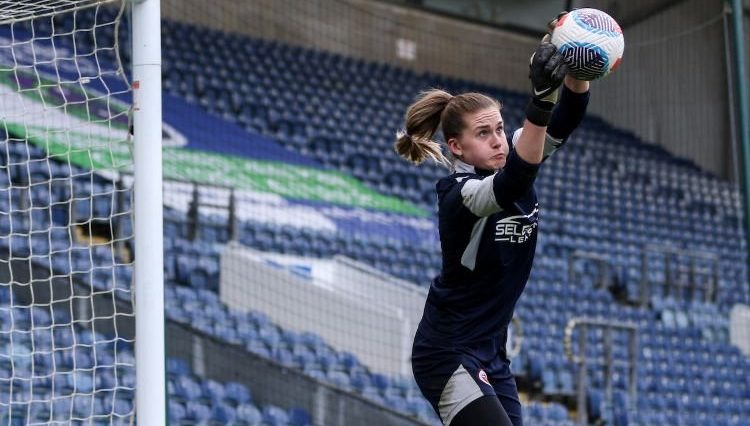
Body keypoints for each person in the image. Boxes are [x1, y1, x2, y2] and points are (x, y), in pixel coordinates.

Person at [394, 15, 590, 426]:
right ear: (457, 147)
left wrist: (578, 69)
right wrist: (540, 100)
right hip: (447, 353)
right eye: (484, 133)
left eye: (500, 128)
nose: (499, 139)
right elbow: (515, 181)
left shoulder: (516, 153)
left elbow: (565, 120)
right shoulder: (459, 195)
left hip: (491, 354)